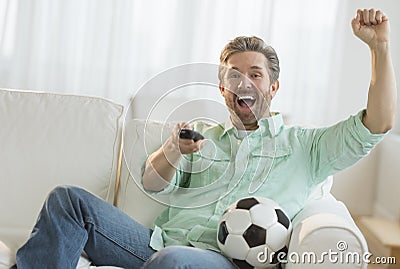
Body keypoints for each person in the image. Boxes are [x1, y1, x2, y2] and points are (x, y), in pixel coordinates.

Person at [11, 8, 396, 269]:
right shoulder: (204, 137)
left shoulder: (307, 147)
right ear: (221, 87)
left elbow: (377, 123)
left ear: (274, 86)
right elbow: (151, 182)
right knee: (68, 201)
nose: (244, 81)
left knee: (174, 262)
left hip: (222, 260)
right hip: (155, 243)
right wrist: (173, 149)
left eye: (255, 74)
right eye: (233, 74)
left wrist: (379, 48)